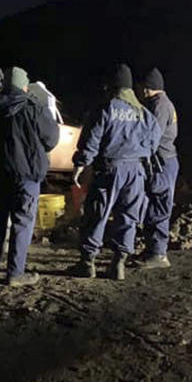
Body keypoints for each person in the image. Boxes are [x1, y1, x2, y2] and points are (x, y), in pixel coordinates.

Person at [71, 64, 162, 280]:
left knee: (97, 214)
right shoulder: (144, 113)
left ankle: (88, 263)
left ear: (111, 86)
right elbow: (154, 140)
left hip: (109, 170)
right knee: (129, 216)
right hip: (136, 171)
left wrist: (80, 165)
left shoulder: (105, 108)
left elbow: (91, 140)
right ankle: (118, 265)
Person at [0, 67, 59, 286]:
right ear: (24, 85)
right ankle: (15, 273)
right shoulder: (35, 108)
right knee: (22, 223)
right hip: (26, 175)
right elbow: (51, 140)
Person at [135, 67, 179, 269]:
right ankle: (152, 250)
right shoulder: (162, 103)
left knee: (159, 207)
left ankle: (159, 255)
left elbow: (153, 136)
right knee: (154, 205)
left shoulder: (159, 106)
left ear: (147, 88)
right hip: (164, 161)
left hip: (162, 163)